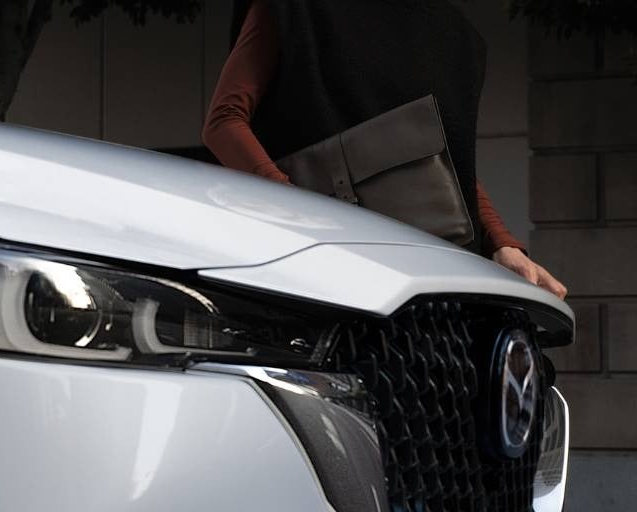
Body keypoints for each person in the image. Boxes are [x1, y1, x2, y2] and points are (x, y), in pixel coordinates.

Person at [203, 0, 567, 299]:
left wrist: (503, 245)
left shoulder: (450, 30)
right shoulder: (293, 8)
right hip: (325, 272)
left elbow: (448, 161)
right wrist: (296, 213)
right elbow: (225, 121)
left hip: (433, 274)